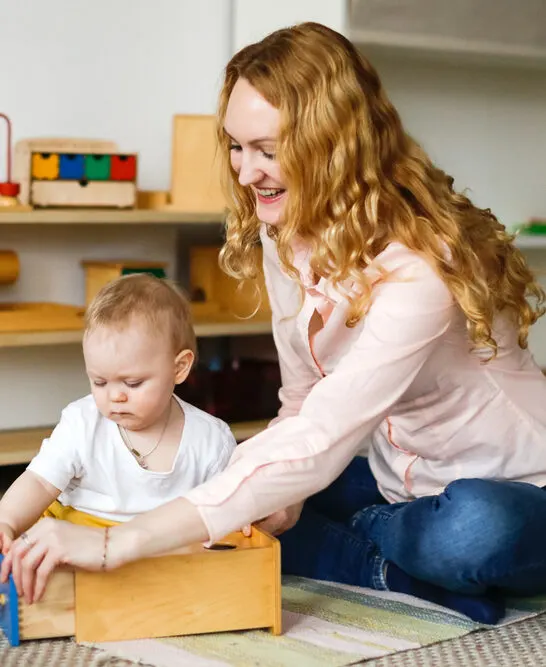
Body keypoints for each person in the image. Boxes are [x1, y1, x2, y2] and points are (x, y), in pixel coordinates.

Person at [4, 22, 546, 624]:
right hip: (397, 485)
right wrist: (267, 492)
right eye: (237, 146)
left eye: (267, 149)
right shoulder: (284, 232)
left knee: (472, 526)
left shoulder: (420, 268)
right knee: (239, 479)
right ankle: (391, 561)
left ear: (333, 145)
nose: (244, 171)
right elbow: (303, 405)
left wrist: (116, 544)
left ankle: (374, 550)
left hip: (512, 489)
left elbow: (319, 440)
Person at [0, 273, 236, 603]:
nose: (115, 397)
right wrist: (6, 519)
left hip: (161, 547)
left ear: (179, 368)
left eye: (133, 383)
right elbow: (39, 483)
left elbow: (222, 513)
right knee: (31, 559)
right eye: (99, 382)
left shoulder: (211, 439)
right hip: (76, 537)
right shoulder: (83, 422)